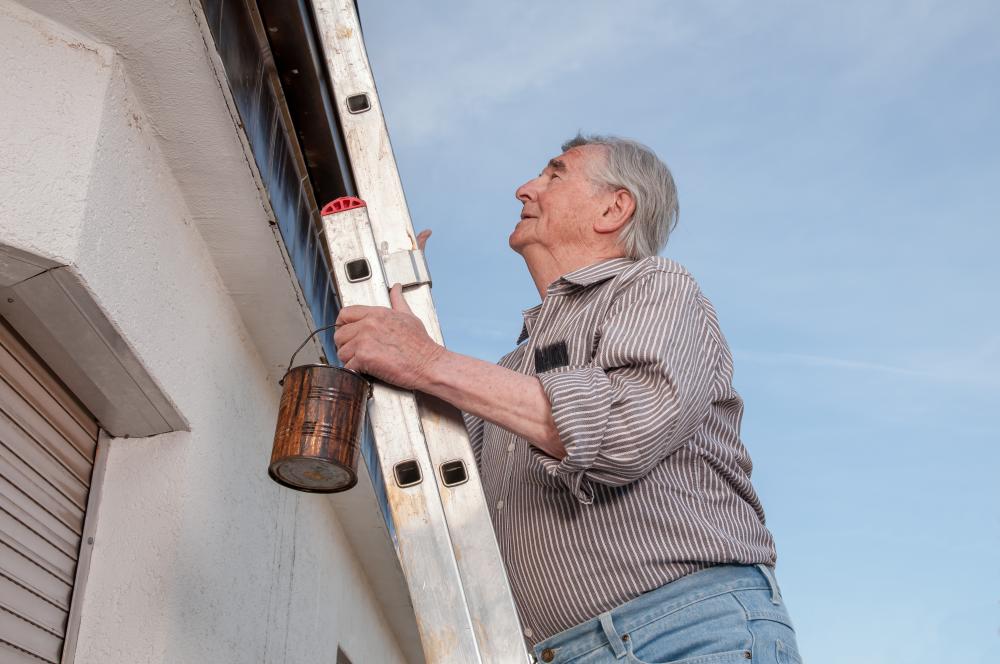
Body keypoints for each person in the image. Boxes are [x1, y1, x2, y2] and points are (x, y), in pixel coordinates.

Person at [334, 134, 802, 663]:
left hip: (680, 634)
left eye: (554, 175)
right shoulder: (515, 370)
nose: (524, 189)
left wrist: (427, 361)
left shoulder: (656, 286)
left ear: (613, 207)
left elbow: (624, 429)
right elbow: (447, 480)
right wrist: (403, 334)